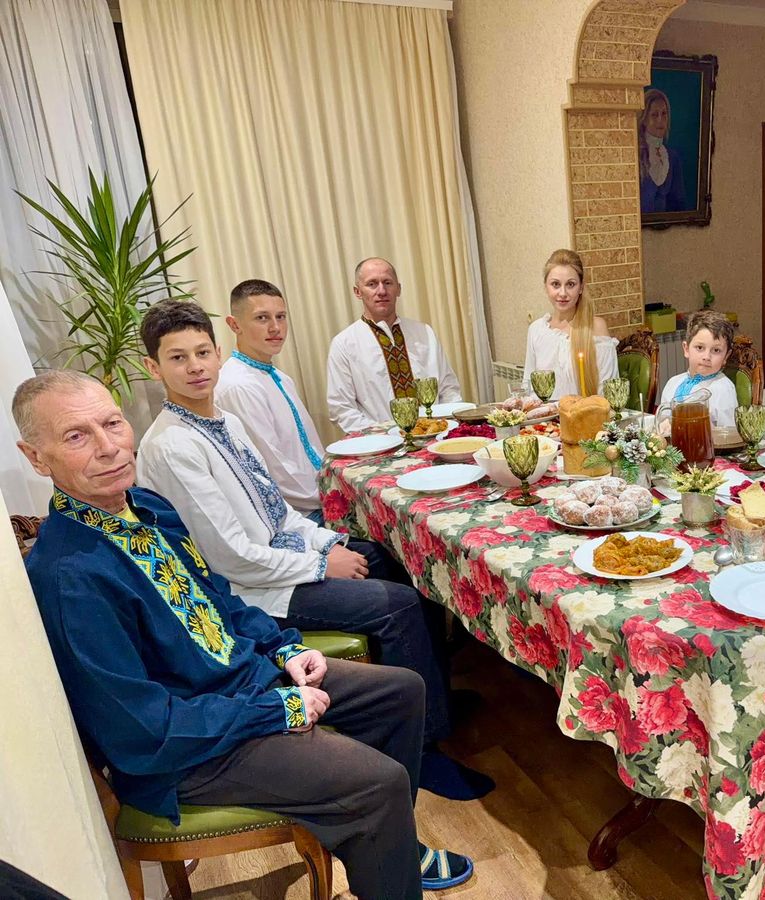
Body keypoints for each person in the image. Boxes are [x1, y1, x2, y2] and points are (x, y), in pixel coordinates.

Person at [14, 370, 473, 898]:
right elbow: (143, 730)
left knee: (402, 691)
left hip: (240, 684)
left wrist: (283, 648)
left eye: (112, 423)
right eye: (76, 436)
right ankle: (378, 834)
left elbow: (220, 598)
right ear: (37, 457)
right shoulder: (69, 577)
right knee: (379, 781)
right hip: (188, 751)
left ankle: (386, 845)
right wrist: (278, 710)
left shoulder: (148, 507)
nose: (108, 447)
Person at [134, 300, 492, 800]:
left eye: (201, 352)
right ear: (154, 367)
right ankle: (425, 746)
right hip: (251, 590)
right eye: (177, 358)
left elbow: (276, 512)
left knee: (399, 559)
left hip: (279, 559)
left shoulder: (224, 422)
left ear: (217, 352)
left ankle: (435, 702)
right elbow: (231, 558)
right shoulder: (173, 446)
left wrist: (331, 543)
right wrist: (323, 563)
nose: (194, 366)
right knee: (399, 604)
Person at [215, 279, 324, 519]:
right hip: (299, 515)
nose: (275, 327)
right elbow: (274, 471)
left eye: (281, 317)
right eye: (262, 318)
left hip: (318, 498)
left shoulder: (279, 377)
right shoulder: (238, 386)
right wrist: (331, 497)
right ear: (234, 324)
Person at [327, 257, 462, 433]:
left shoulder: (424, 333)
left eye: (387, 282)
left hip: (435, 436)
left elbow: (449, 389)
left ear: (398, 289)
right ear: (358, 292)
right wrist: (385, 434)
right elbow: (341, 409)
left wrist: (448, 429)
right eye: (372, 284)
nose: (381, 291)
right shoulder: (344, 344)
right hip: (380, 442)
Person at [522, 248, 618, 398]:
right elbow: (528, 387)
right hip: (544, 414)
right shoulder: (536, 330)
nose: (563, 293)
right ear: (545, 287)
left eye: (570, 284)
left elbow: (607, 392)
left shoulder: (595, 327)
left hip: (587, 412)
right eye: (555, 284)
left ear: (581, 287)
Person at [658, 309, 739, 428]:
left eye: (716, 350)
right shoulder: (672, 384)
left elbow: (729, 433)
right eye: (700, 348)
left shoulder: (723, 389)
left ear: (726, 356)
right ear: (686, 349)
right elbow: (662, 423)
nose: (707, 357)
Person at [638, 88, 687, 214]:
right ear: (644, 119)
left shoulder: (672, 157)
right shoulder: (635, 155)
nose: (660, 120)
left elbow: (679, 204)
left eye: (664, 114)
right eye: (654, 115)